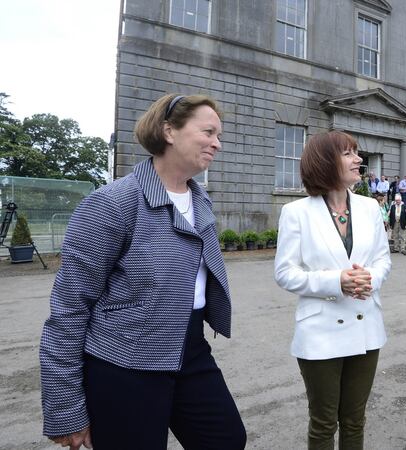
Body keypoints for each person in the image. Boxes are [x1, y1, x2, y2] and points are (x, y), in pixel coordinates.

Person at [39, 94, 247, 450]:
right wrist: (65, 409)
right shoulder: (113, 203)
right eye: (209, 132)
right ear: (169, 131)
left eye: (219, 135)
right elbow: (69, 309)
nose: (218, 143)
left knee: (226, 439)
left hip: (190, 348)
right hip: (124, 362)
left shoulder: (200, 200)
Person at [274, 130, 392, 450]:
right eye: (348, 154)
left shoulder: (369, 207)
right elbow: (285, 273)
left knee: (355, 419)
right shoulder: (296, 212)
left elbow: (383, 259)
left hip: (366, 325)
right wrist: (336, 281)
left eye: (357, 153)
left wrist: (371, 278)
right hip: (319, 330)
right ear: (326, 162)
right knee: (324, 422)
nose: (359, 160)